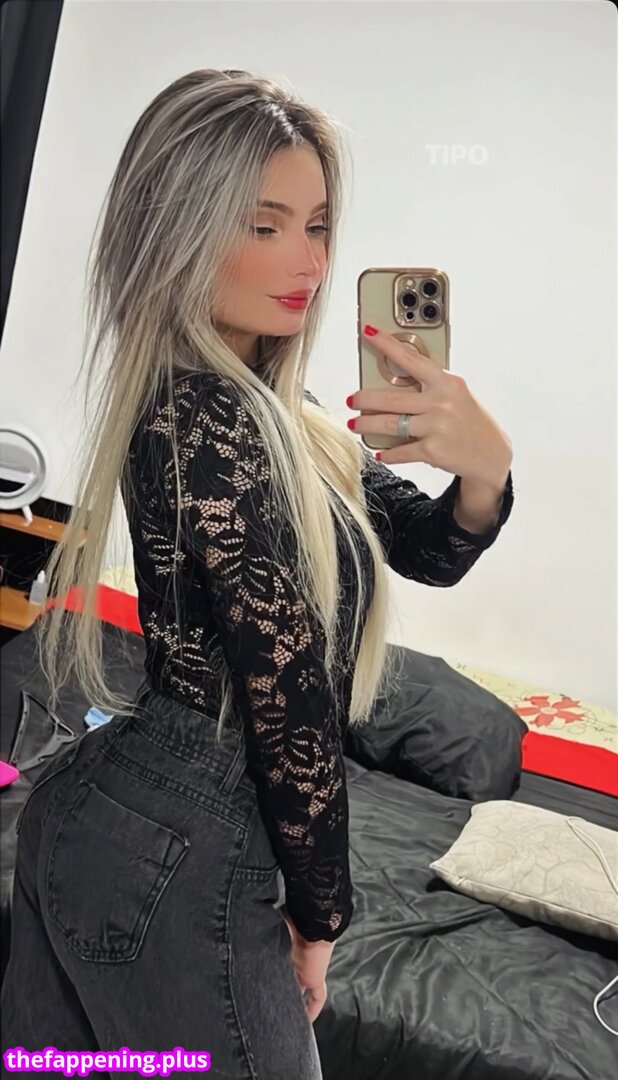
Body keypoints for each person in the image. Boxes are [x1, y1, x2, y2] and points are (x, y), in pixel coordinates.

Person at [0, 70, 513, 1079]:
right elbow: (288, 694)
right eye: (264, 224)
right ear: (178, 227)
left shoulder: (284, 416)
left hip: (119, 817)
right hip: (181, 828)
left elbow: (425, 546)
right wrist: (322, 915)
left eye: (318, 226)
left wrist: (485, 473)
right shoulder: (203, 419)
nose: (309, 261)